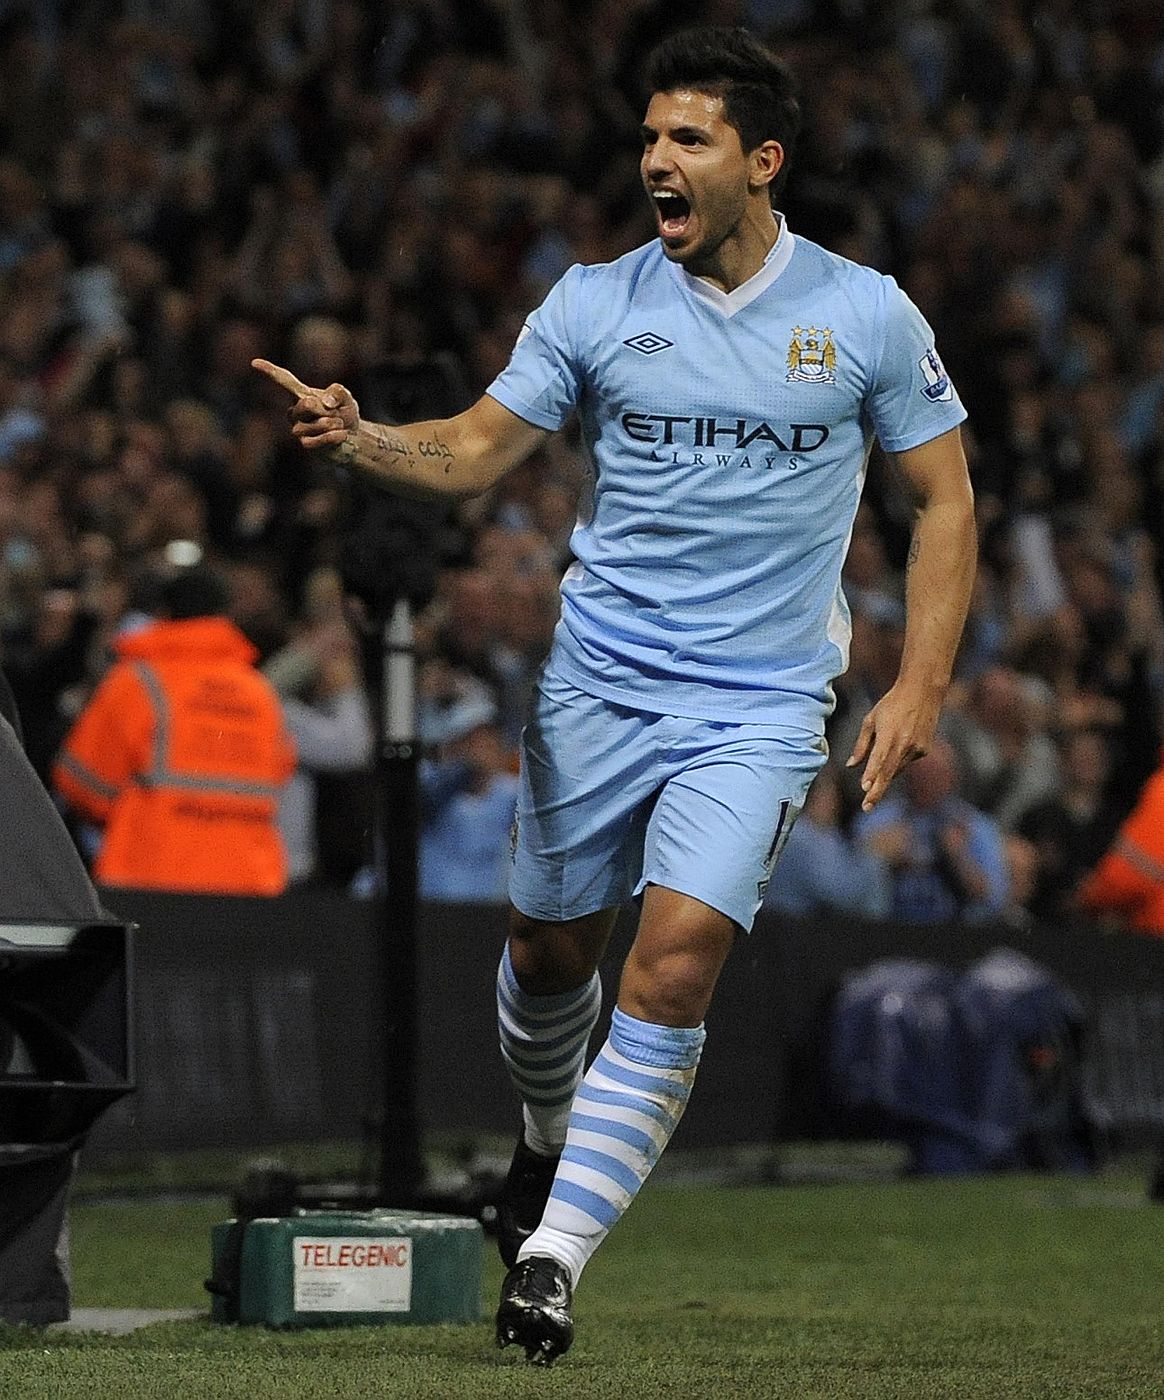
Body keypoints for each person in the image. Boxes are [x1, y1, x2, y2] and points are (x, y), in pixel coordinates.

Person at [254, 26, 976, 1365]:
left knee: (679, 956)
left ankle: (551, 1257)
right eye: (648, 136)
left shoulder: (865, 313)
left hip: (759, 703)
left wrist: (918, 683)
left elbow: (942, 499)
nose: (656, 159)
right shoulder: (594, 302)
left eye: (687, 139)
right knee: (547, 954)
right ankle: (542, 1141)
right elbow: (475, 449)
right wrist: (361, 438)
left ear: (762, 163)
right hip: (598, 682)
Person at [53, 564, 297, 895]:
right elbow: (279, 774)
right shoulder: (258, 691)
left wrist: (129, 817)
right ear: (223, 616)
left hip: (151, 878)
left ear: (163, 613)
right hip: (249, 882)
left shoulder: (136, 683)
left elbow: (79, 781)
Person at [854, 739, 1008, 925]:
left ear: (952, 778)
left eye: (935, 775)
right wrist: (879, 859)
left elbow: (995, 900)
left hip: (954, 935)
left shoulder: (975, 826)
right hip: (887, 928)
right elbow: (849, 892)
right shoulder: (877, 820)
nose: (926, 782)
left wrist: (958, 857)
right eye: (920, 774)